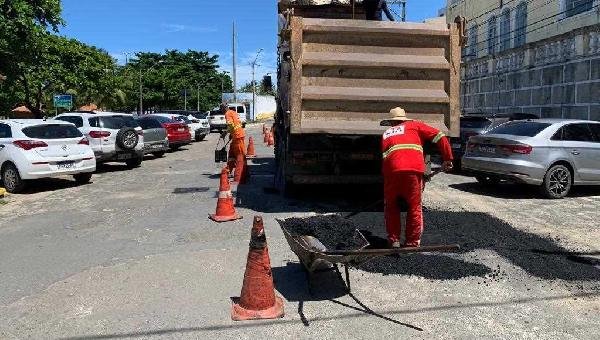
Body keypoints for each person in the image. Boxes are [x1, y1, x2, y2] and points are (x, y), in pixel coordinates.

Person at [380, 107, 453, 248]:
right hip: (412, 171)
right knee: (414, 206)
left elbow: (387, 157)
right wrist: (447, 158)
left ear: (391, 122)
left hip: (391, 172)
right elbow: (440, 136)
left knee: (391, 206)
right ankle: (412, 243)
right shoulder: (414, 125)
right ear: (404, 119)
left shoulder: (386, 133)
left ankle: (393, 239)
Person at [220, 103, 245, 169]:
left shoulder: (227, 114)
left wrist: (224, 133)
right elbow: (237, 124)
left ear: (224, 108)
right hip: (238, 135)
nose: (221, 111)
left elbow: (231, 126)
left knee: (240, 154)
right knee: (232, 152)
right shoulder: (233, 112)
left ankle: (242, 170)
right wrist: (231, 134)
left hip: (237, 136)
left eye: (221, 109)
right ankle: (230, 169)